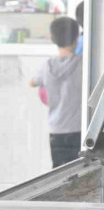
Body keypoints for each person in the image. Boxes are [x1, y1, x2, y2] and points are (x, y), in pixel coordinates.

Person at [28, 16, 83, 167]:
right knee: (79, 172)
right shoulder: (83, 63)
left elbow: (31, 82)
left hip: (56, 129)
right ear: (77, 37)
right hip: (78, 129)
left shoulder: (46, 67)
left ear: (53, 38)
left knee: (59, 172)